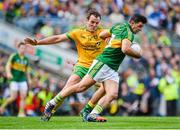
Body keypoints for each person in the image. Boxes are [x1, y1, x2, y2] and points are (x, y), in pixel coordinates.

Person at [41, 13, 147, 122]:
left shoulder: (118, 26)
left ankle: (92, 114)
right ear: (132, 23)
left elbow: (102, 35)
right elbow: (125, 49)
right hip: (103, 63)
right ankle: (52, 103)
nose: (140, 29)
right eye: (139, 26)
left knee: (112, 94)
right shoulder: (129, 34)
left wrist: (110, 40)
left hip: (112, 68)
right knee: (81, 87)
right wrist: (138, 55)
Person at [24, 9, 109, 121]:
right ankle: (48, 113)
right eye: (92, 22)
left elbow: (118, 39)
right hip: (82, 66)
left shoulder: (103, 33)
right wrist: (38, 42)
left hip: (97, 68)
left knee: (108, 90)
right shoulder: (77, 32)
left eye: (97, 23)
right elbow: (58, 38)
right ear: (86, 20)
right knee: (67, 88)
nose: (94, 25)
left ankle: (87, 111)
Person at [0, 42, 31, 117]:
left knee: (23, 96)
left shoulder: (26, 59)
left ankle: (21, 113)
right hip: (14, 79)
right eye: (21, 48)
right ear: (18, 48)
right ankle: (2, 107)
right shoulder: (14, 56)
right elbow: (8, 65)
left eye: (24, 48)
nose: (23, 50)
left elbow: (26, 71)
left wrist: (29, 79)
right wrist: (8, 73)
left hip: (22, 80)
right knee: (13, 97)